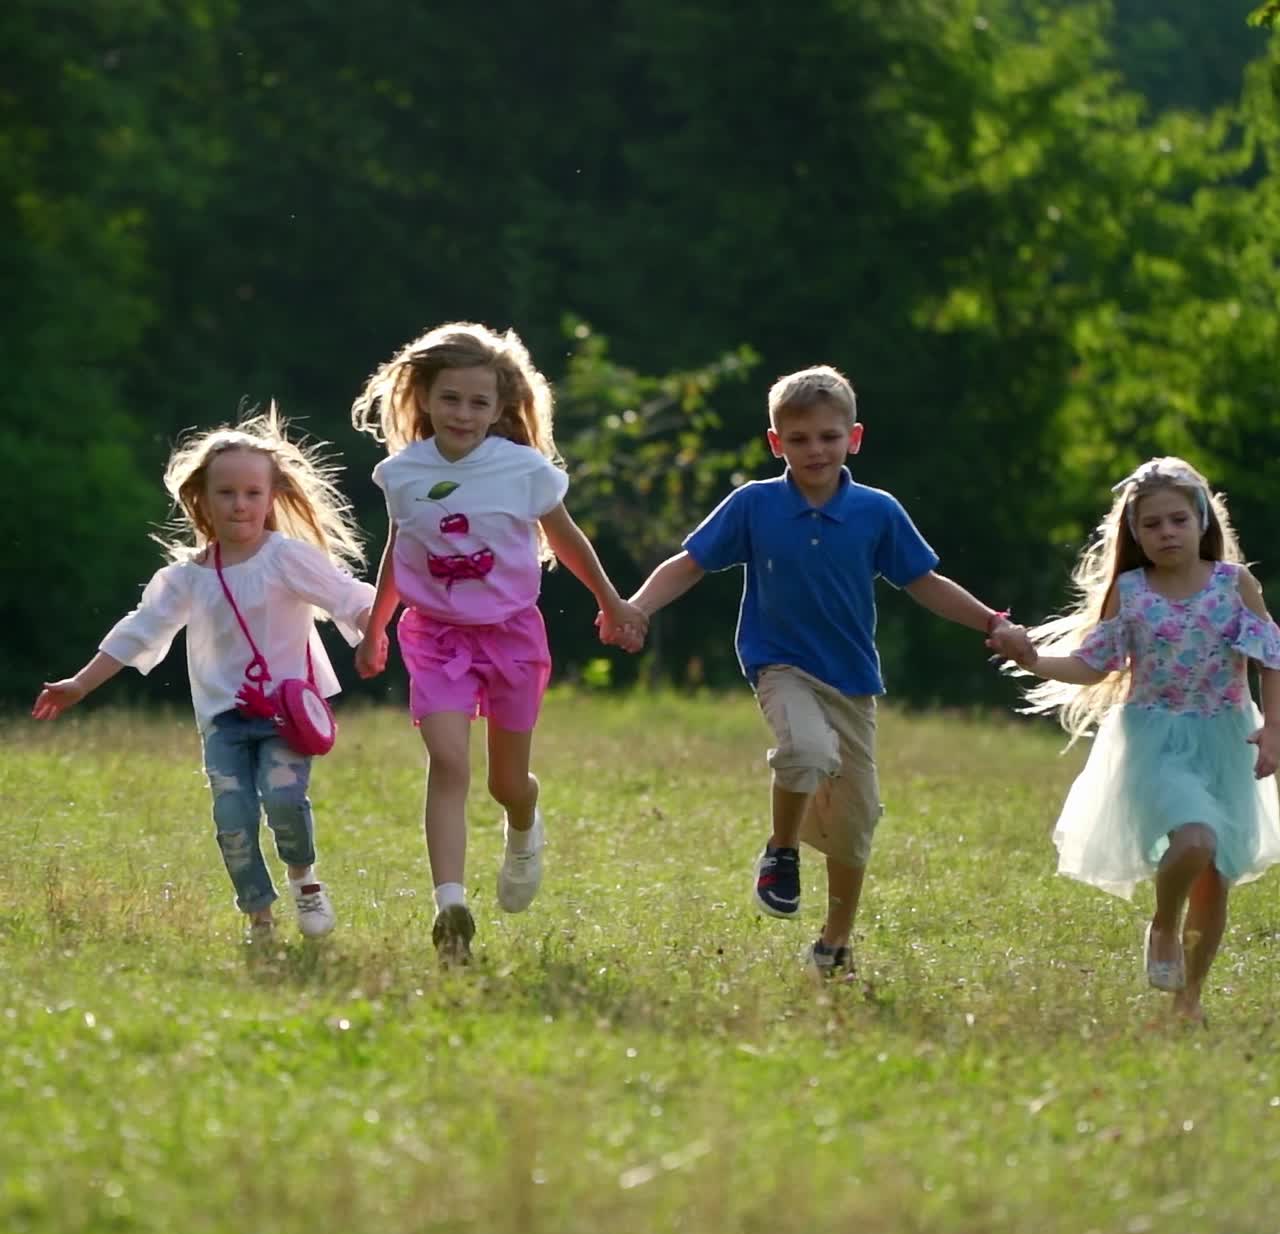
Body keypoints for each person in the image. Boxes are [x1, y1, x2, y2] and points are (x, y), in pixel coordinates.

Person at [614, 365, 1034, 977]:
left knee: (855, 821)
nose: (816, 449)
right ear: (776, 442)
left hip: (852, 680)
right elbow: (690, 563)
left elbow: (923, 582)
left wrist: (991, 621)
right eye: (801, 438)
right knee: (806, 751)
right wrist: (635, 608)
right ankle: (781, 851)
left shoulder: (876, 512)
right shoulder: (755, 505)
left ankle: (834, 946)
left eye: (829, 437)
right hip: (780, 665)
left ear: (854, 438)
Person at [351, 321, 647, 965]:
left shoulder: (523, 469)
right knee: (449, 761)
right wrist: (376, 628)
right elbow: (403, 552)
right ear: (424, 397)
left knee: (507, 783)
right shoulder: (402, 474)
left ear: (500, 407)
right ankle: (450, 905)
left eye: (478, 402)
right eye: (450, 397)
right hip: (433, 636)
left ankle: (523, 824)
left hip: (512, 634)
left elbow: (567, 538)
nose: (463, 413)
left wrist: (610, 599)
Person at [32, 407, 375, 943]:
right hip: (224, 720)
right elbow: (137, 631)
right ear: (202, 500)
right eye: (226, 493)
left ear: (271, 497)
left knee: (284, 800)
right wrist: (80, 683)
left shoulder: (287, 558)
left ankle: (306, 882)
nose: (240, 504)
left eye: (252, 493)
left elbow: (351, 599)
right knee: (233, 818)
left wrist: (379, 634)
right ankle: (259, 918)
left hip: (289, 713)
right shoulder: (186, 578)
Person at [1008, 456, 1280, 1023]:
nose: (1167, 533)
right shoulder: (1130, 591)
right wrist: (1032, 657)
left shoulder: (1235, 585)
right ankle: (1163, 923)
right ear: (1134, 533)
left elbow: (1269, 657)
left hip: (1226, 737)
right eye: (1152, 524)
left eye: (1178, 520)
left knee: (1216, 875)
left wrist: (1272, 727)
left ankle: (1189, 1000)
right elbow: (1094, 663)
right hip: (1154, 738)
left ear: (1202, 521)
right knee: (1195, 840)